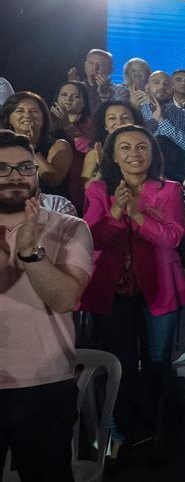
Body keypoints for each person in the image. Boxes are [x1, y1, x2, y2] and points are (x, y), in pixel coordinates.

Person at [80, 124, 185, 464]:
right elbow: (91, 239)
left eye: (142, 147)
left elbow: (173, 238)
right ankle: (116, 432)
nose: (134, 154)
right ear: (112, 154)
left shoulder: (169, 190)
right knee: (120, 363)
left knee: (158, 363)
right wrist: (115, 215)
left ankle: (157, 427)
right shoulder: (98, 189)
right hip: (112, 289)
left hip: (160, 287)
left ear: (154, 154)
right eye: (124, 147)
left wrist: (138, 216)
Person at [0, 129, 93, 482]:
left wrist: (29, 253)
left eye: (25, 167)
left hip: (44, 384)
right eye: (3, 169)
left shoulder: (70, 227)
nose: (16, 177)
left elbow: (65, 298)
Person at [3, 92, 72, 197]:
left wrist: (31, 148)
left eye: (34, 111)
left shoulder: (59, 145)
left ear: (44, 117)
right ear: (9, 118)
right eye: (20, 111)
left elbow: (53, 180)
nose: (27, 115)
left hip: (48, 206)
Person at [140, 70, 185, 182]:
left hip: (174, 179)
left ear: (172, 88)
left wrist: (163, 120)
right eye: (156, 82)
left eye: (166, 84)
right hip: (141, 175)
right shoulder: (137, 113)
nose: (162, 87)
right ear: (147, 87)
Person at [48, 80, 93, 209]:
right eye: (64, 94)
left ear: (84, 103)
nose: (68, 99)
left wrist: (67, 125)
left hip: (76, 178)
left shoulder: (91, 124)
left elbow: (86, 149)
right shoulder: (45, 119)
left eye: (76, 96)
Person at [80, 100, 143, 189]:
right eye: (112, 118)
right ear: (105, 125)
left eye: (125, 117)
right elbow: (87, 188)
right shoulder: (95, 154)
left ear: (135, 122)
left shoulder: (145, 150)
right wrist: (102, 168)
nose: (119, 122)